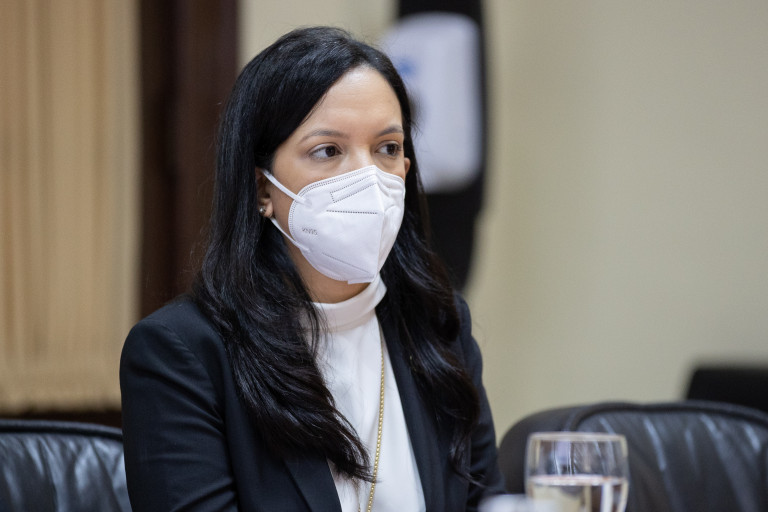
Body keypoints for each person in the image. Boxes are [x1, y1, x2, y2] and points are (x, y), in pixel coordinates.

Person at [120, 26, 503, 512]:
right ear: (262, 189)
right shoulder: (183, 353)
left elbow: (488, 501)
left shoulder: (439, 328)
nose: (367, 177)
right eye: (328, 151)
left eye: (387, 148)